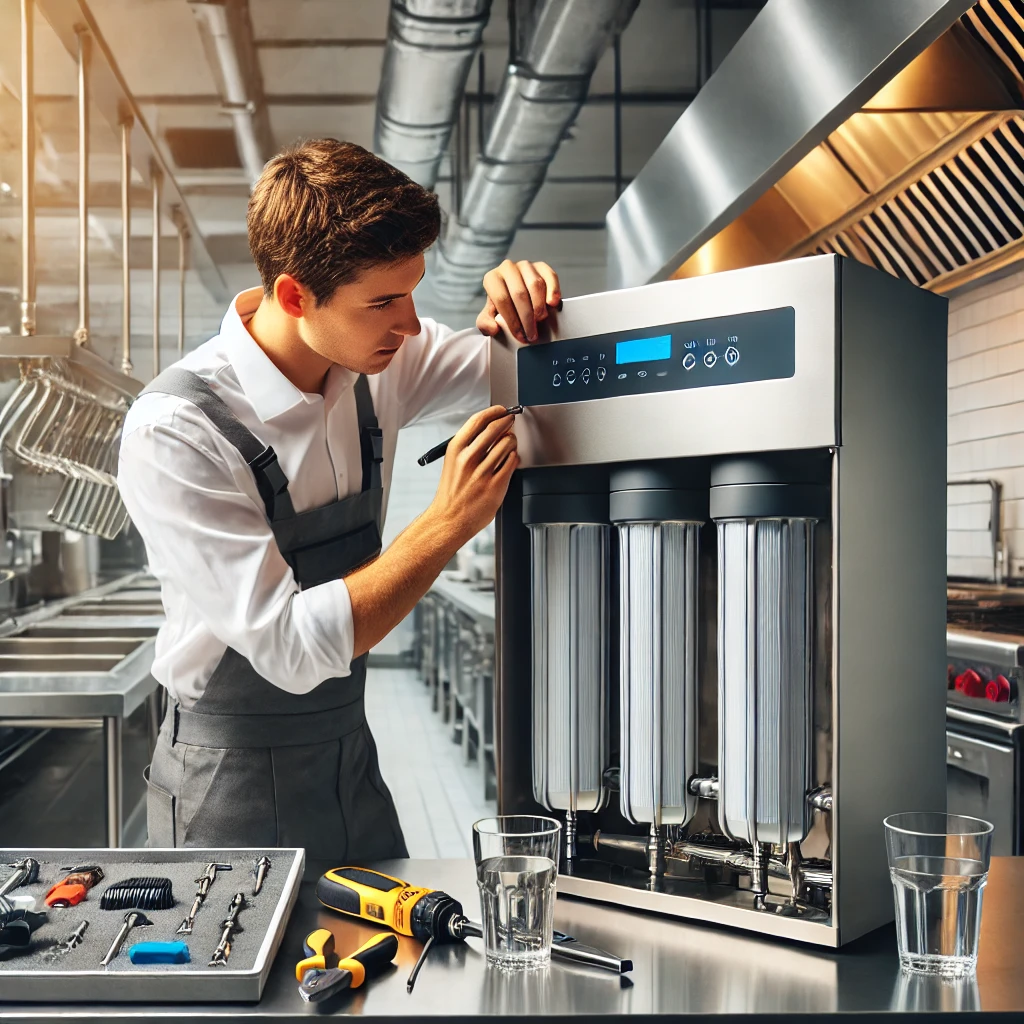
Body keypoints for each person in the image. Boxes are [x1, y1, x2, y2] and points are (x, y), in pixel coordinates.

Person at [117, 138, 560, 861]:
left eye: (411, 291)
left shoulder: (382, 359)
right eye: (384, 301)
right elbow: (289, 649)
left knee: (381, 966)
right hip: (226, 783)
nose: (411, 324)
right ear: (294, 295)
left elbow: (526, 367)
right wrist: (447, 522)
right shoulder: (178, 431)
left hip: (348, 759)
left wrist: (524, 308)